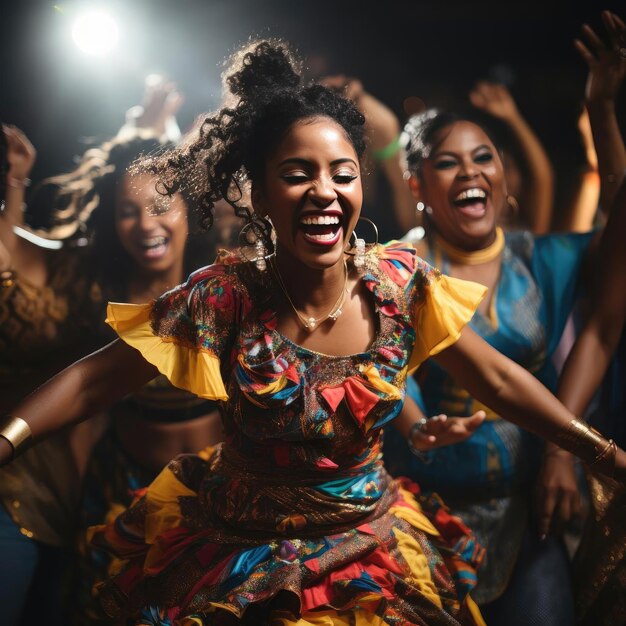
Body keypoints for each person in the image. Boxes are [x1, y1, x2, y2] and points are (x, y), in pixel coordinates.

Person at [0, 40, 624, 626]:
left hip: (371, 557)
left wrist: (603, 454)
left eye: (342, 173)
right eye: (298, 173)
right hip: (239, 561)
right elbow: (90, 384)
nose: (323, 192)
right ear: (261, 194)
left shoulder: (400, 285)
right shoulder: (225, 297)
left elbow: (497, 377)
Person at [382, 12, 625, 625]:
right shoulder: (395, 268)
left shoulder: (541, 259)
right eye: (447, 163)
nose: (470, 172)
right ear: (417, 185)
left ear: (502, 177)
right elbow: (387, 369)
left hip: (526, 515)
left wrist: (600, 106)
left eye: (483, 157)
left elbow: (622, 215)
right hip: (416, 518)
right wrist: (417, 426)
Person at [42, 132, 224, 624]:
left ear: (191, 206)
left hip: (216, 501)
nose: (146, 223)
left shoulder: (227, 290)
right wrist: (80, 505)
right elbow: (85, 411)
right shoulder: (103, 301)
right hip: (123, 494)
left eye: (162, 203)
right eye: (128, 210)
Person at [0, 123, 101, 626]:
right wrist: (16, 182)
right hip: (11, 468)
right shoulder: (30, 256)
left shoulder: (118, 277)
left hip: (91, 481)